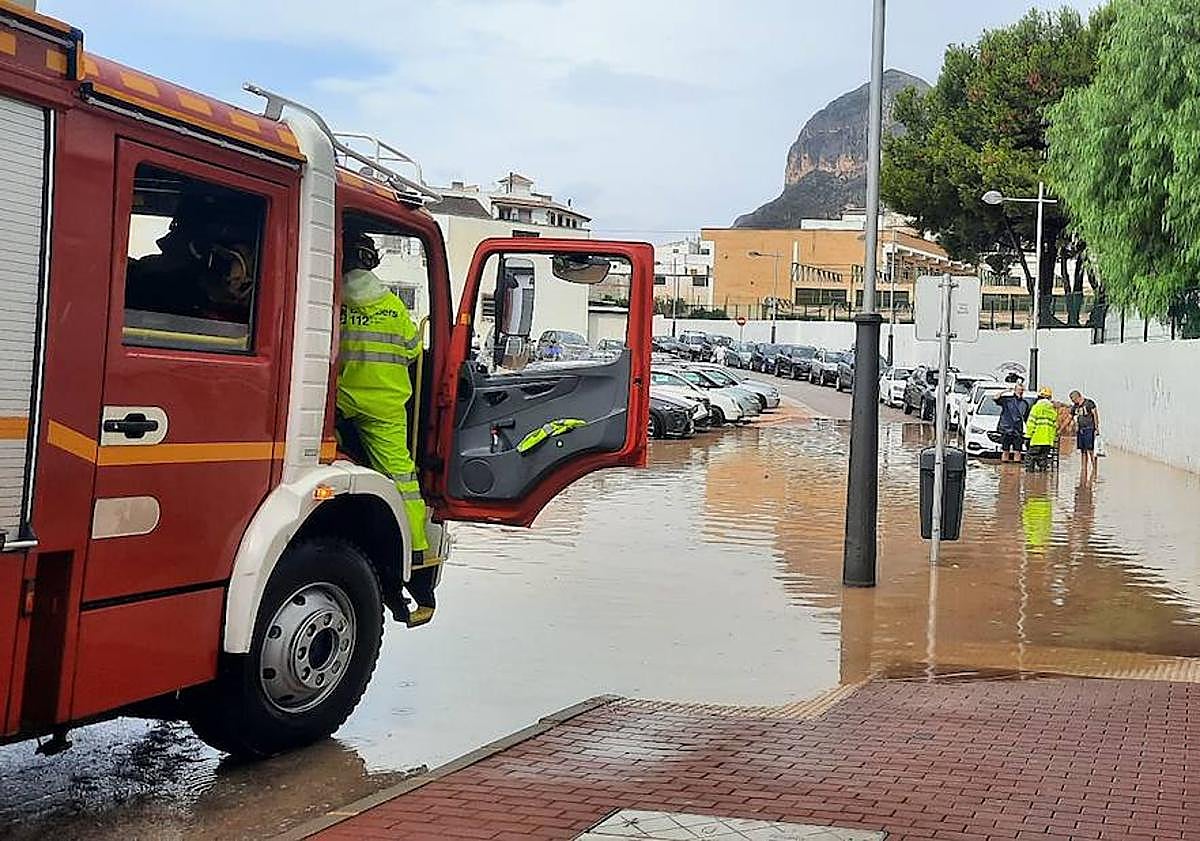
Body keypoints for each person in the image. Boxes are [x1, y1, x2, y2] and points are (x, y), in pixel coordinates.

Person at [336, 231, 434, 626]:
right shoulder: (394, 306)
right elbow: (412, 350)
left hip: (339, 403)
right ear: (372, 262)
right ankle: (417, 559)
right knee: (403, 481)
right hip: (387, 408)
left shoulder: (333, 300)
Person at [1024, 386, 1059, 472]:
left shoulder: (1036, 407)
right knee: (1043, 460)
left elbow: (1031, 423)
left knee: (1030, 459)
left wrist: (1028, 436)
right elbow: (1055, 426)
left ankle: (1030, 480)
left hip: (1036, 439)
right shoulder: (1053, 410)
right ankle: (1043, 478)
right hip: (1047, 440)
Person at [994, 380, 1029, 463]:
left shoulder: (1025, 403)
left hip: (1018, 431)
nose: (1020, 391)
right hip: (1006, 429)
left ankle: (1016, 472)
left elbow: (1026, 418)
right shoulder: (1007, 400)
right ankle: (1004, 471)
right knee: (1005, 451)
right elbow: (995, 398)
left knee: (1017, 451)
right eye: (1019, 389)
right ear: (1015, 390)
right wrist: (1005, 391)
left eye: (1022, 389)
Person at [1069, 390, 1100, 472]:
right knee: (1083, 450)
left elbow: (1095, 415)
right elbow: (1070, 417)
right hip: (1080, 430)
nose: (1073, 402)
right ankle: (1084, 468)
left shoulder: (1089, 403)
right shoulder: (1075, 407)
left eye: (1073, 400)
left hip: (1089, 428)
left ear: (1078, 397)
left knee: (1090, 450)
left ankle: (1094, 469)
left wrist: (1096, 428)